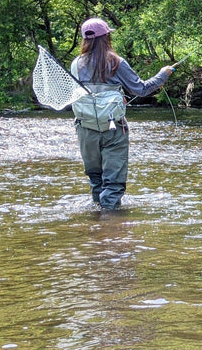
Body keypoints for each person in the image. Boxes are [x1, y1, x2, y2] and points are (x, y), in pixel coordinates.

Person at [71, 17, 174, 209]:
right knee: (113, 183)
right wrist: (163, 75)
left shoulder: (76, 64)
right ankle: (111, 227)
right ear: (106, 38)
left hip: (86, 129)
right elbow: (141, 89)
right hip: (114, 129)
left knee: (96, 179)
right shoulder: (116, 62)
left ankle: (98, 227)